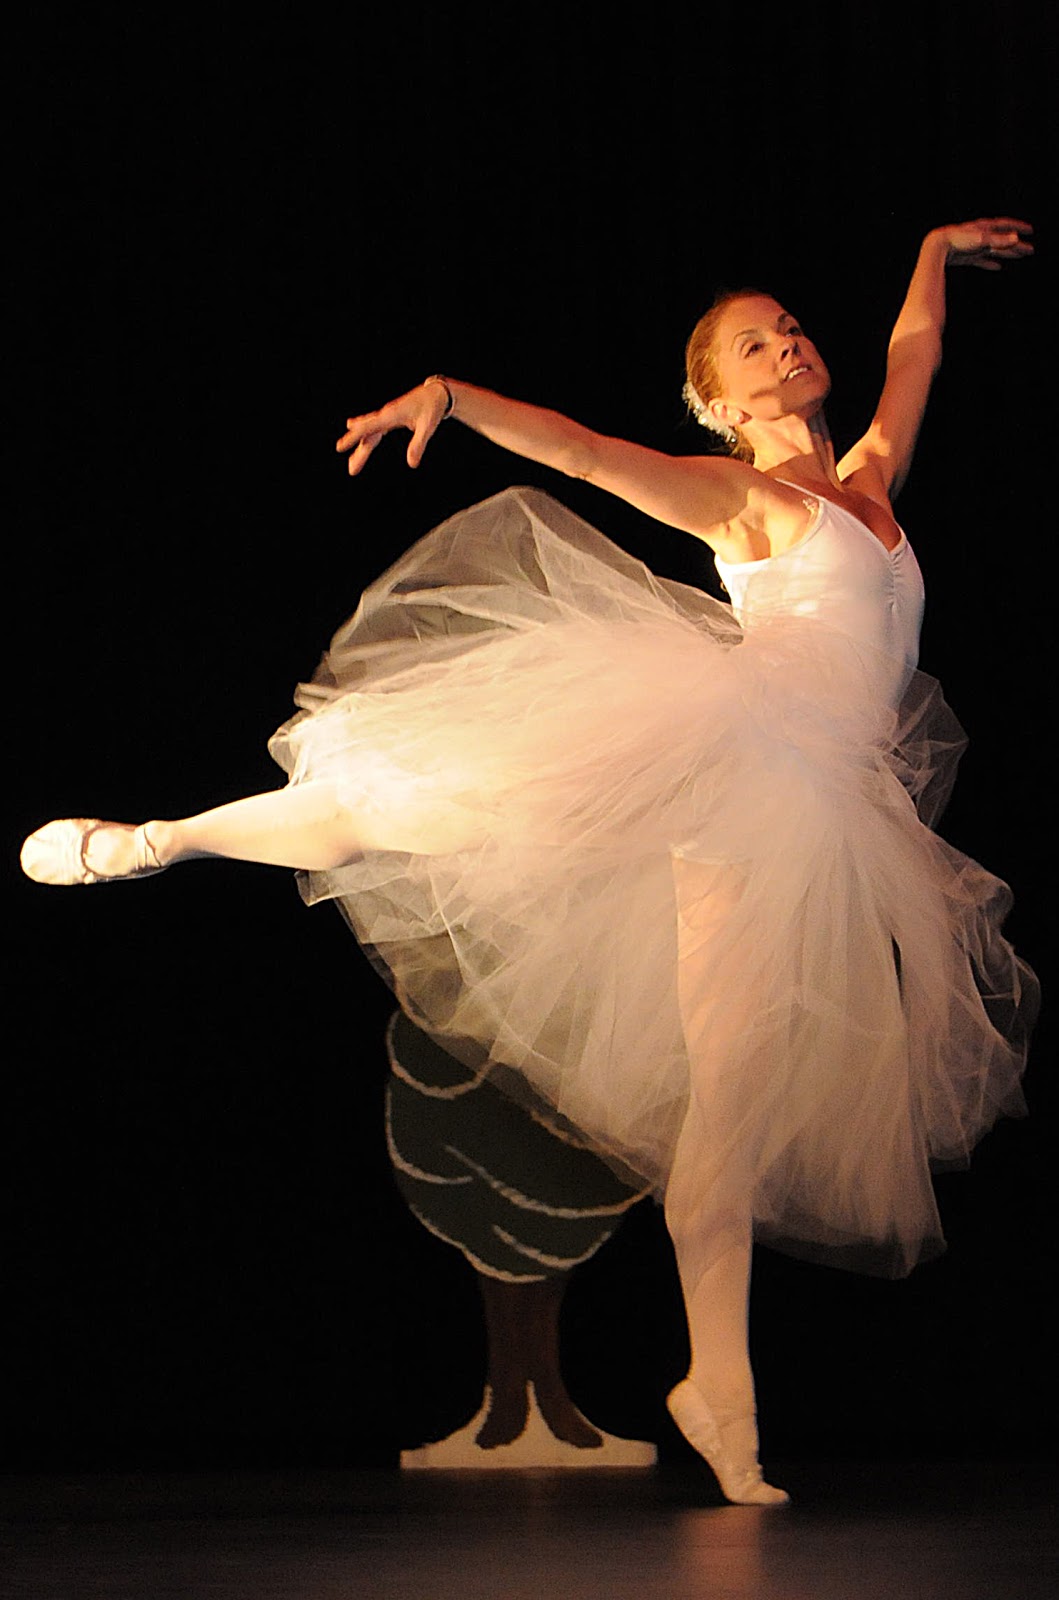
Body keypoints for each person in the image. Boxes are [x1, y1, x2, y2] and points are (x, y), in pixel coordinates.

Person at [21, 218, 1037, 1505]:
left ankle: (718, 1394)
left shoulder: (873, 480)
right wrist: (451, 396)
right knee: (439, 803)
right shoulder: (739, 496)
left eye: (788, 326)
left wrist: (936, 247)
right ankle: (161, 840)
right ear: (722, 404)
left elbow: (916, 353)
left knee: (726, 1108)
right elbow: (583, 452)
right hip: (727, 746)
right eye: (752, 344)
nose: (786, 343)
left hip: (800, 814)